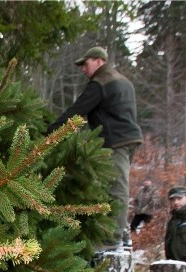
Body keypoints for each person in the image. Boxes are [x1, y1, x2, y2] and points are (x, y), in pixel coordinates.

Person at [47, 46, 143, 250]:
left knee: (116, 189)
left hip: (115, 142)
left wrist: (49, 133)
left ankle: (112, 239)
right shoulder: (124, 81)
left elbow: (76, 111)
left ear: (99, 61)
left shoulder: (101, 83)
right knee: (114, 186)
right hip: (130, 139)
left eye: (86, 63)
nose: (83, 69)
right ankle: (121, 232)